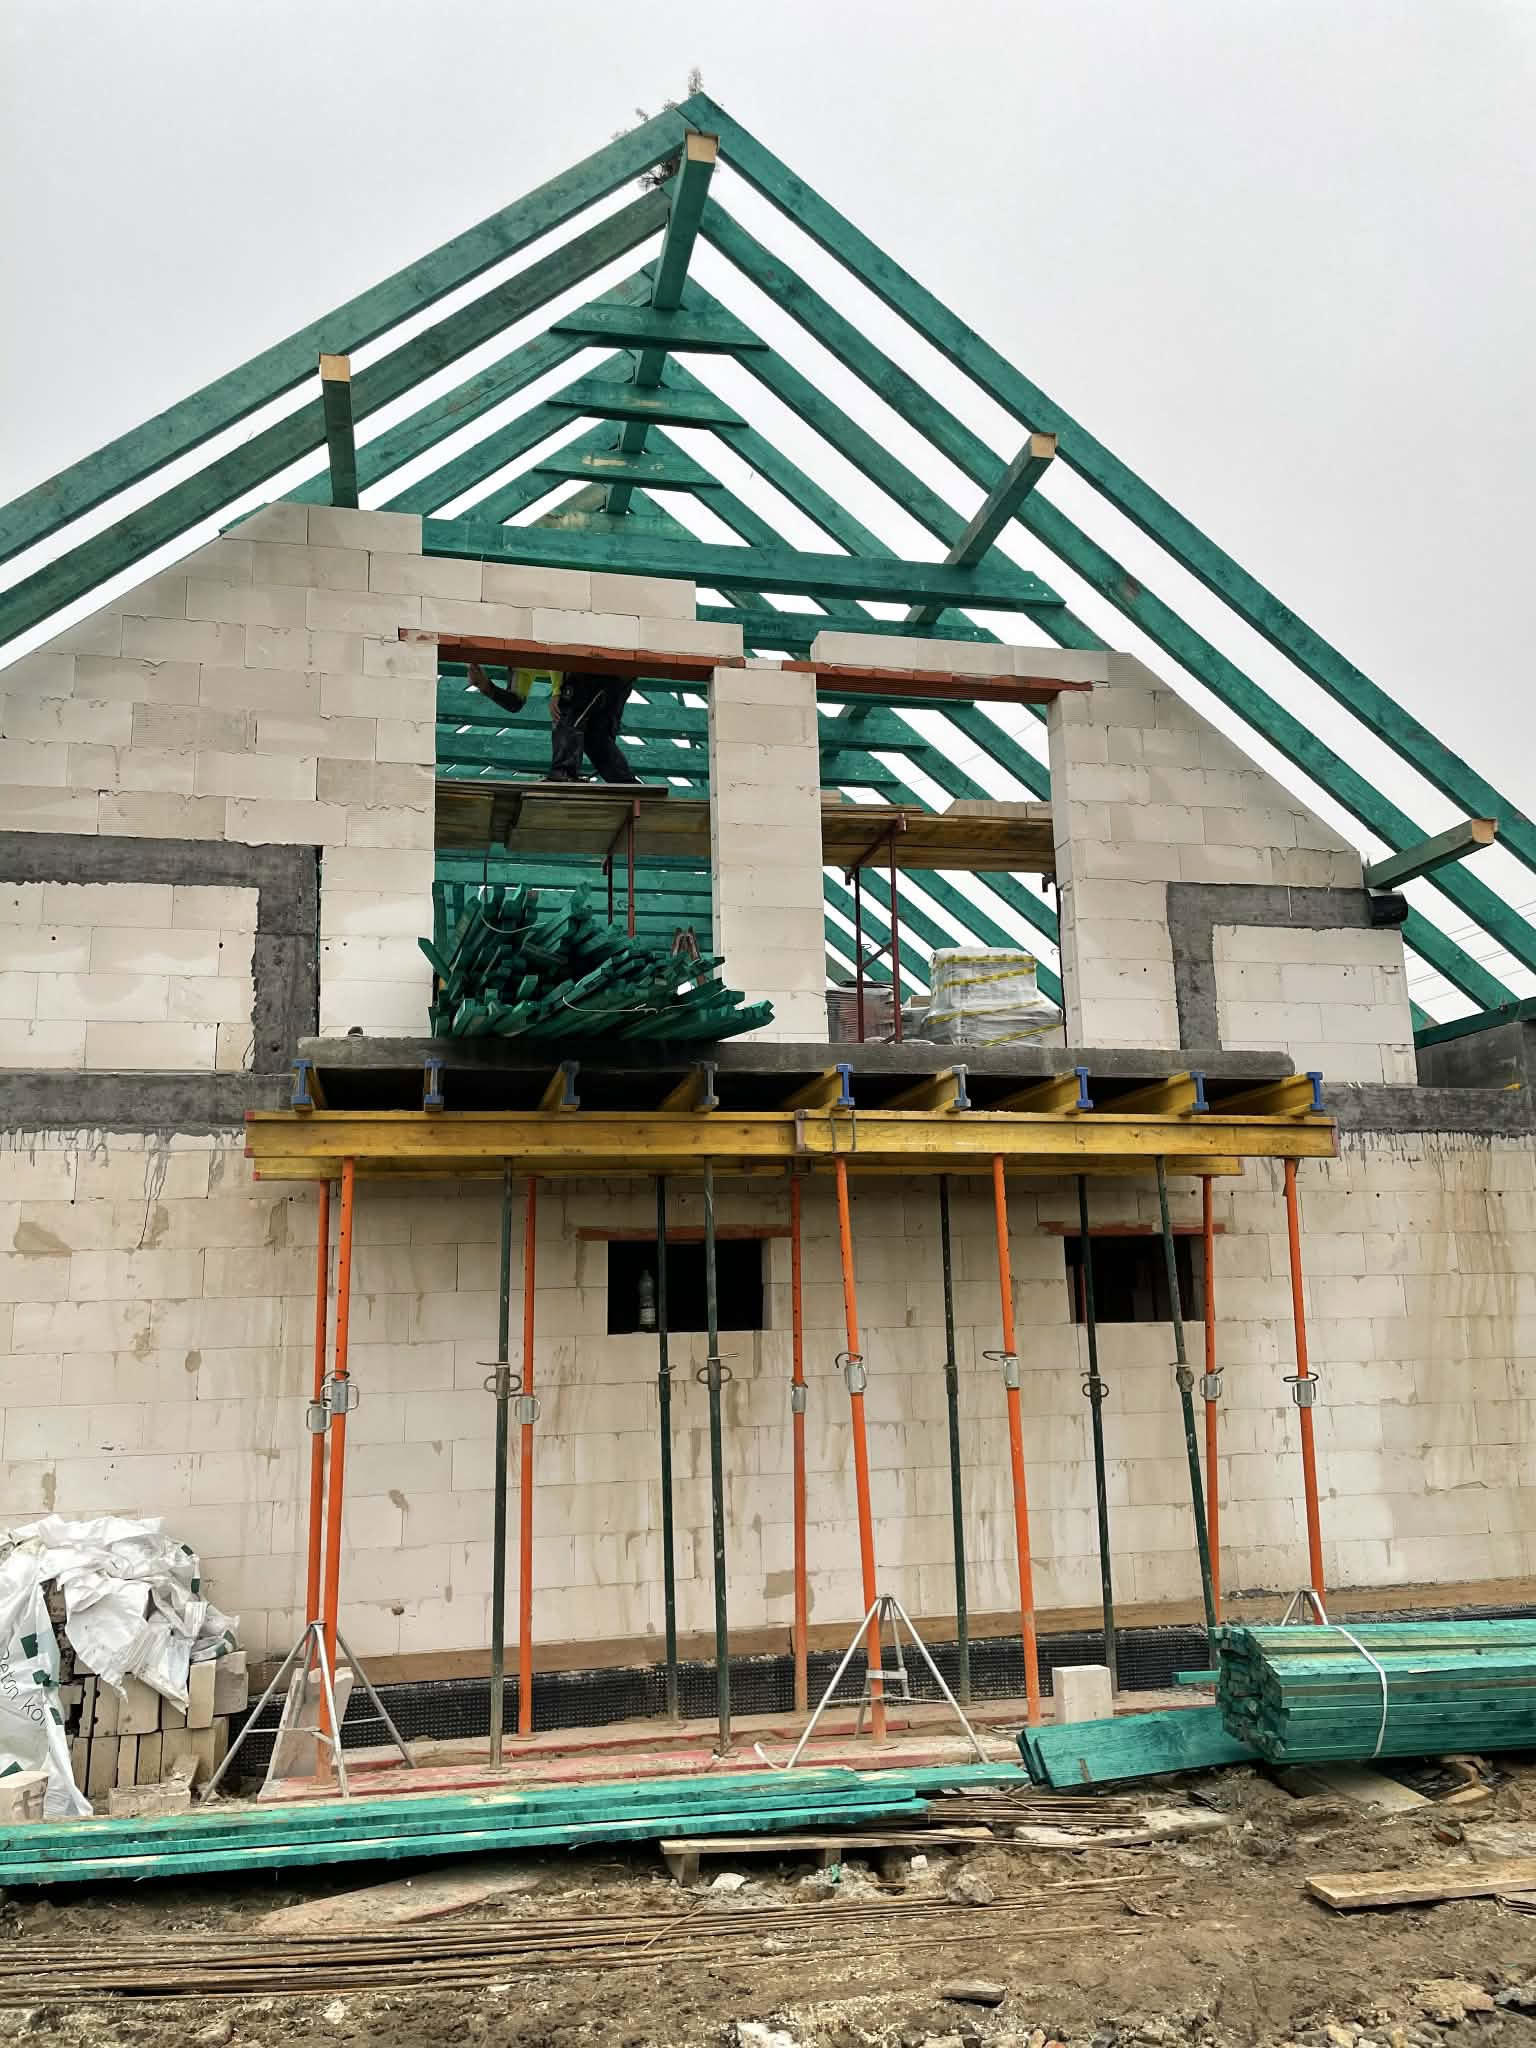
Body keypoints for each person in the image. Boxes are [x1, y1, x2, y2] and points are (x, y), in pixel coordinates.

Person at [466, 662, 639, 785]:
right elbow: (515, 702)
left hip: (595, 667)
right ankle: (625, 782)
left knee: (565, 712)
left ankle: (563, 773)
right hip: (617, 678)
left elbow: (556, 650)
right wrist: (485, 686)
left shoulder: (522, 643)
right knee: (595, 738)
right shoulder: (518, 665)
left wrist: (558, 693)